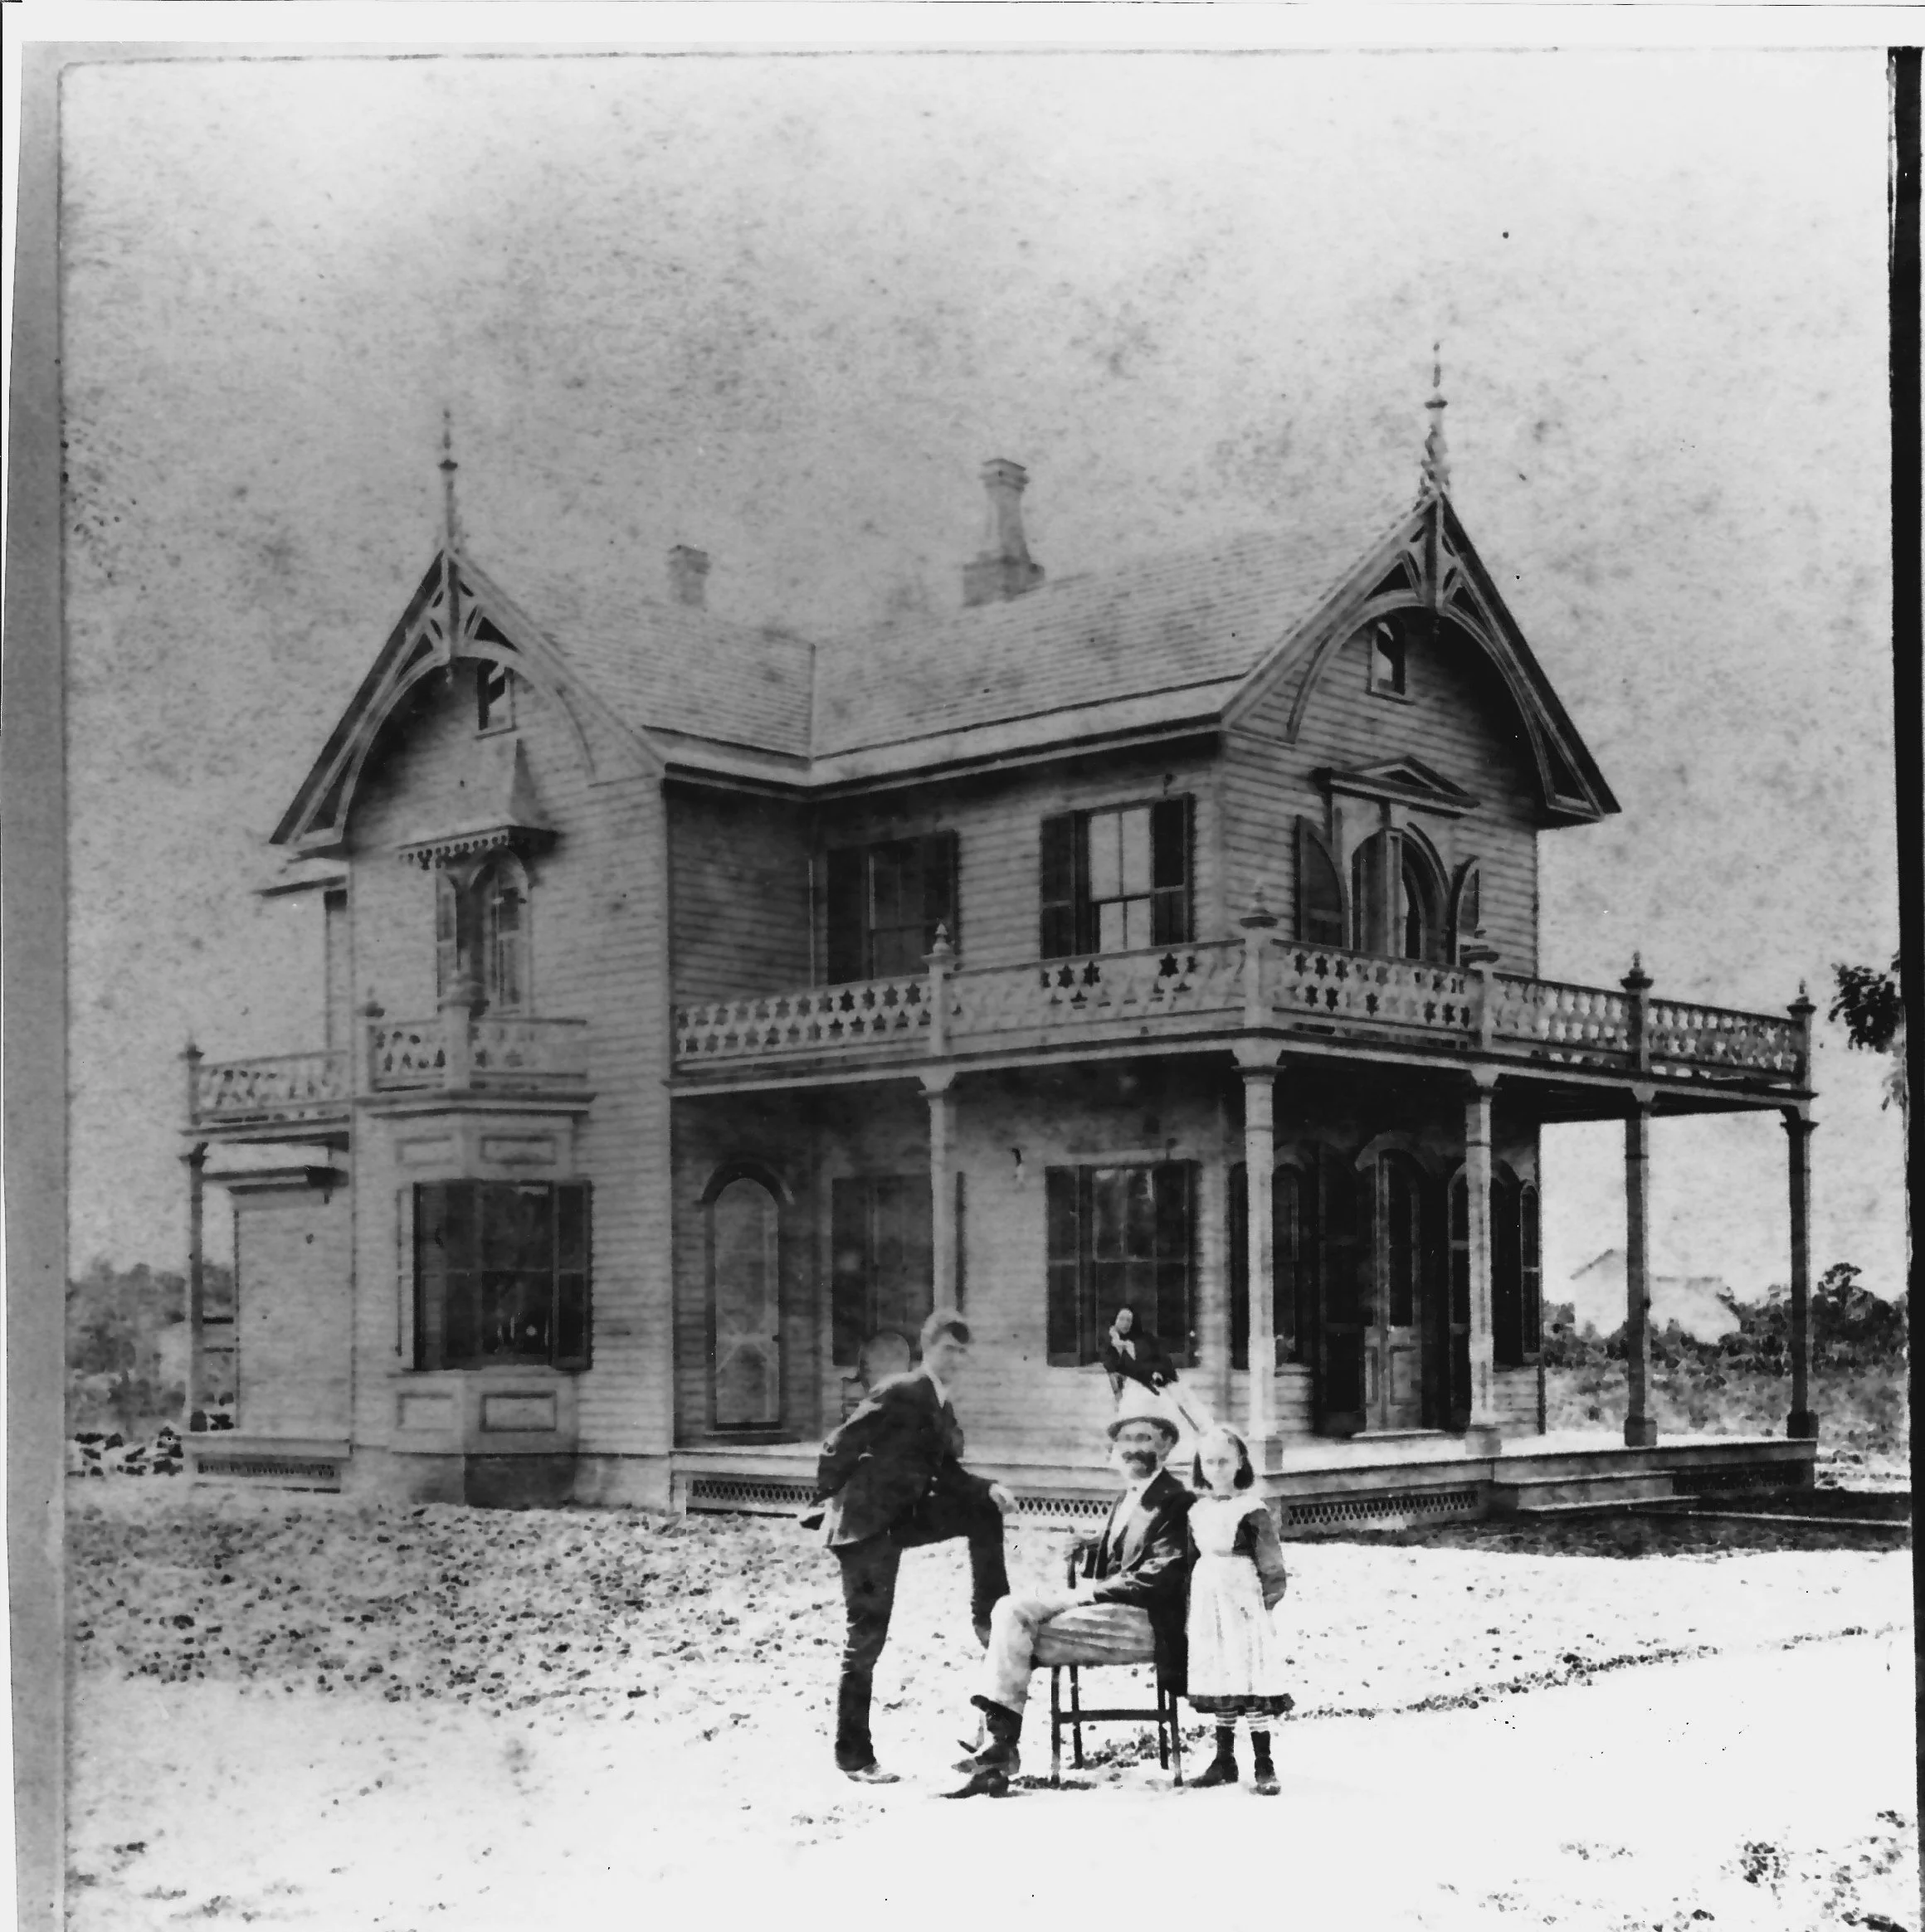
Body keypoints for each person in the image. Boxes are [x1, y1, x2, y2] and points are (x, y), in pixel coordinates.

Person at [948, 1383, 1193, 1798]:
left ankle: (998, 1750)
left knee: (1012, 1620)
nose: (1133, 1448)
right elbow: (1131, 1546)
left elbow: (1159, 1573)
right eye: (1125, 1440)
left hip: (1146, 1624)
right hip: (1116, 1617)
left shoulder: (1175, 1500)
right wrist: (1092, 1544)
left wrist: (1088, 1594)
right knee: (1014, 1627)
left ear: (1166, 1446)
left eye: (1144, 1438)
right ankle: (995, 1753)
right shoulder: (1132, 1497)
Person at [807, 1308, 1016, 1784]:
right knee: (866, 1640)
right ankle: (854, 1756)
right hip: (865, 1530)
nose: (954, 1360)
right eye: (947, 1349)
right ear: (927, 1349)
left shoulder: (941, 1406)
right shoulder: (901, 1390)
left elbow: (948, 1474)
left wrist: (988, 1487)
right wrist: (830, 1501)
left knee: (982, 1510)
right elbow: (836, 1445)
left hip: (900, 1520)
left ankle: (990, 1614)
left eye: (963, 1353)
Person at [1182, 1423, 1292, 1795]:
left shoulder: (1252, 1509)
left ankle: (1264, 1762)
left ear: (1240, 1462)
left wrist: (1266, 1607)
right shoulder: (1196, 1510)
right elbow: (1188, 1558)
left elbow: (1271, 1564)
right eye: (1209, 1462)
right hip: (1207, 1593)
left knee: (1248, 1673)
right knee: (1220, 1671)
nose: (1217, 1469)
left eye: (1224, 1461)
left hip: (1242, 1594)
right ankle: (1224, 1759)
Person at [1099, 1305, 1177, 1394]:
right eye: (1121, 1319)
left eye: (1128, 1320)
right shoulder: (1108, 1341)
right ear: (1115, 1320)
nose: (1125, 1323)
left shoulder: (1139, 1341)